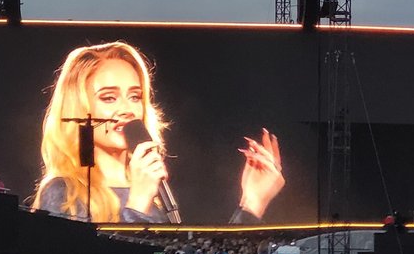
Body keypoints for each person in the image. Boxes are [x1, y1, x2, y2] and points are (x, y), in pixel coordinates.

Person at [32, 41, 285, 223]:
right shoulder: (64, 192)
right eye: (108, 98)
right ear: (80, 106)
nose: (126, 109)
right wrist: (137, 204)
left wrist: (252, 202)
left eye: (134, 96)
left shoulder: (157, 191)